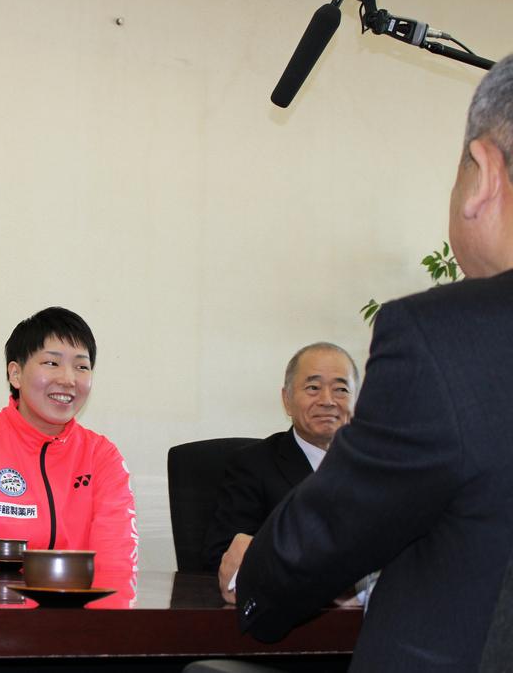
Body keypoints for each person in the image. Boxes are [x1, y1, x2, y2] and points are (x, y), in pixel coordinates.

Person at [220, 54, 513, 672]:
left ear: (484, 171)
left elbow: (326, 537)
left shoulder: (444, 339)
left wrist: (254, 581)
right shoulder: (252, 463)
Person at [0, 307, 138, 574]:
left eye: (81, 367)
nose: (68, 379)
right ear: (15, 374)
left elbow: (117, 564)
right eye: (52, 363)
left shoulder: (103, 456)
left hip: (72, 600)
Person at [201, 342, 358, 571]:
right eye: (313, 387)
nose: (327, 400)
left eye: (341, 389)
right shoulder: (252, 466)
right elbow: (224, 557)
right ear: (287, 400)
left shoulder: (379, 466)